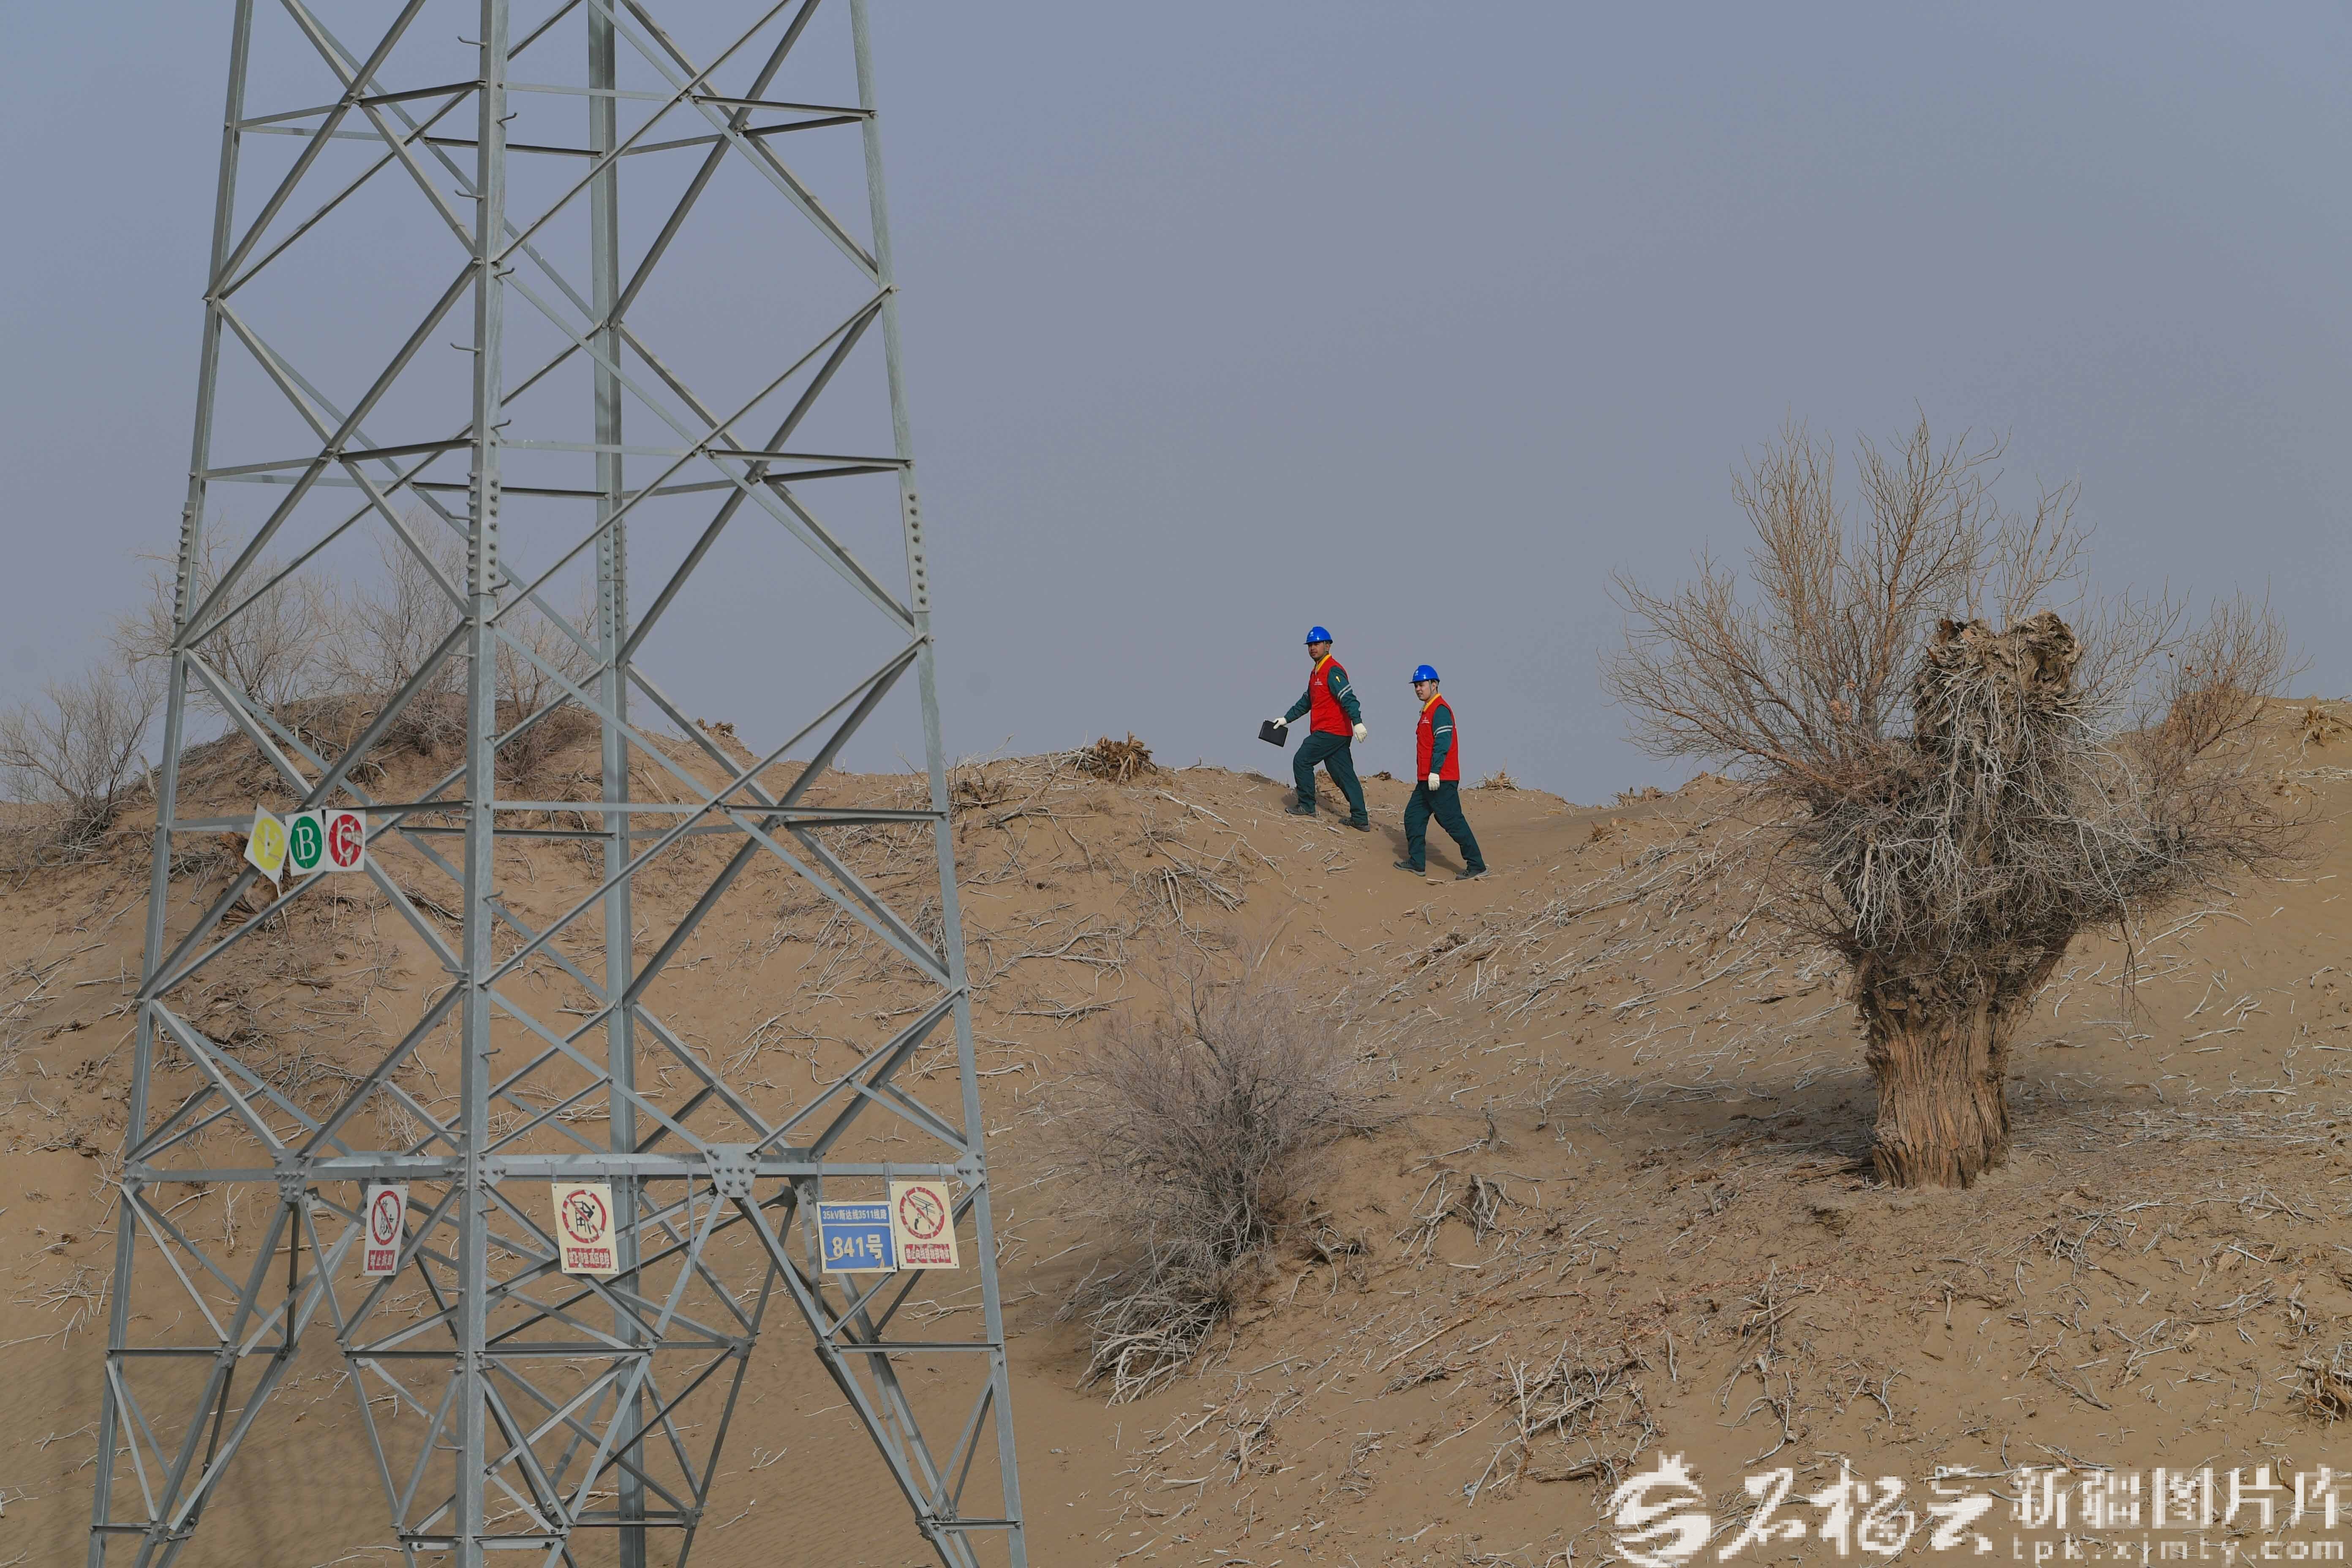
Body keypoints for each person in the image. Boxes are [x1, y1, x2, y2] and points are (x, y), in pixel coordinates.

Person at [1269, 627, 1369, 829]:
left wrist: (1357, 722)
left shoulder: (1332, 670)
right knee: (1343, 775)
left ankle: (1307, 806)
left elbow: (1349, 698)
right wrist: (1286, 719)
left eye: (1317, 644)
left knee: (1302, 760)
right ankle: (1360, 819)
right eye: (1310, 645)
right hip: (1335, 733)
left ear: (1328, 646)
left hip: (1330, 731)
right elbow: (1307, 701)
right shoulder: (1316, 672)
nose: (1313, 648)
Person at [1396, 664, 1486, 879]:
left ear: (1434, 684)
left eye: (1422, 685)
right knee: (1413, 817)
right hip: (1426, 780)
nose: (1418, 689)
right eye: (1416, 686)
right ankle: (1417, 863)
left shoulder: (1440, 710)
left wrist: (1435, 771)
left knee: (1452, 821)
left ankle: (1477, 865)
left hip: (1441, 779)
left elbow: (1443, 743)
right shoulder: (1427, 710)